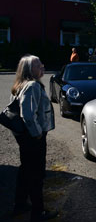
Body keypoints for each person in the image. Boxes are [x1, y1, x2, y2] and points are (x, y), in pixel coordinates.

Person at [10, 55, 58, 221]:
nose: (42, 67)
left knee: (25, 172)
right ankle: (38, 213)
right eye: (39, 65)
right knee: (36, 175)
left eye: (42, 64)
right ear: (30, 70)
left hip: (26, 138)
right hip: (33, 138)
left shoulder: (22, 85)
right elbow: (28, 115)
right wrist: (37, 133)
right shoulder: (32, 86)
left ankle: (20, 205)